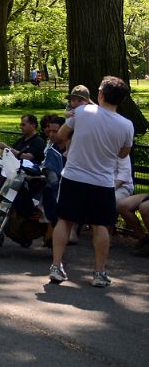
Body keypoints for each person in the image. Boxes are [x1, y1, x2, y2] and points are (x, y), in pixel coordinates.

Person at [48, 77, 135, 288]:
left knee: (65, 220)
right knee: (101, 225)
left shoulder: (82, 112)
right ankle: (99, 272)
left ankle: (56, 266)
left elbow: (60, 136)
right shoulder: (126, 125)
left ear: (101, 94)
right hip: (103, 181)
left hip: (74, 176)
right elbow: (123, 153)